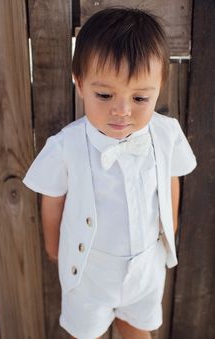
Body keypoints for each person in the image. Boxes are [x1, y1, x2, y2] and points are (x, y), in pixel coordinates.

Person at [22, 7, 197, 339]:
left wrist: (168, 229)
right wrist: (53, 245)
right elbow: (53, 197)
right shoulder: (67, 146)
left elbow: (170, 181)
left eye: (140, 97)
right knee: (82, 332)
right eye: (104, 95)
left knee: (137, 328)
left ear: (159, 88)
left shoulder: (166, 134)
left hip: (145, 266)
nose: (122, 110)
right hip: (89, 270)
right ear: (80, 84)